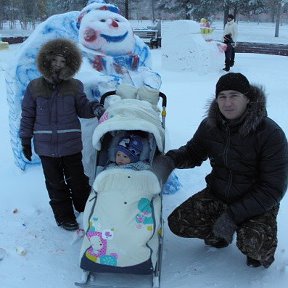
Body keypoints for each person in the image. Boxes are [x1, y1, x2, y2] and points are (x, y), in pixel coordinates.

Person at [153, 73, 288, 268]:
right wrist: (170, 161)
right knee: (178, 223)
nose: (227, 103)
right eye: (222, 96)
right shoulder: (210, 126)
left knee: (254, 246)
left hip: (257, 203)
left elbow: (273, 189)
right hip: (219, 195)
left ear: (248, 98)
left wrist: (232, 216)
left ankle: (258, 247)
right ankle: (218, 236)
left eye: (234, 96)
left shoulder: (270, 134)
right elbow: (193, 152)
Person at [19, 38, 105, 231]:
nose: (58, 64)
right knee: (55, 183)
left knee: (78, 181)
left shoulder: (74, 86)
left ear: (70, 64)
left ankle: (86, 210)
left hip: (70, 144)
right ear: (46, 61)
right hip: (45, 147)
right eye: (55, 60)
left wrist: (95, 107)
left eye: (63, 61)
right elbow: (27, 115)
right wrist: (25, 140)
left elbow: (83, 108)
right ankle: (64, 217)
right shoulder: (34, 87)